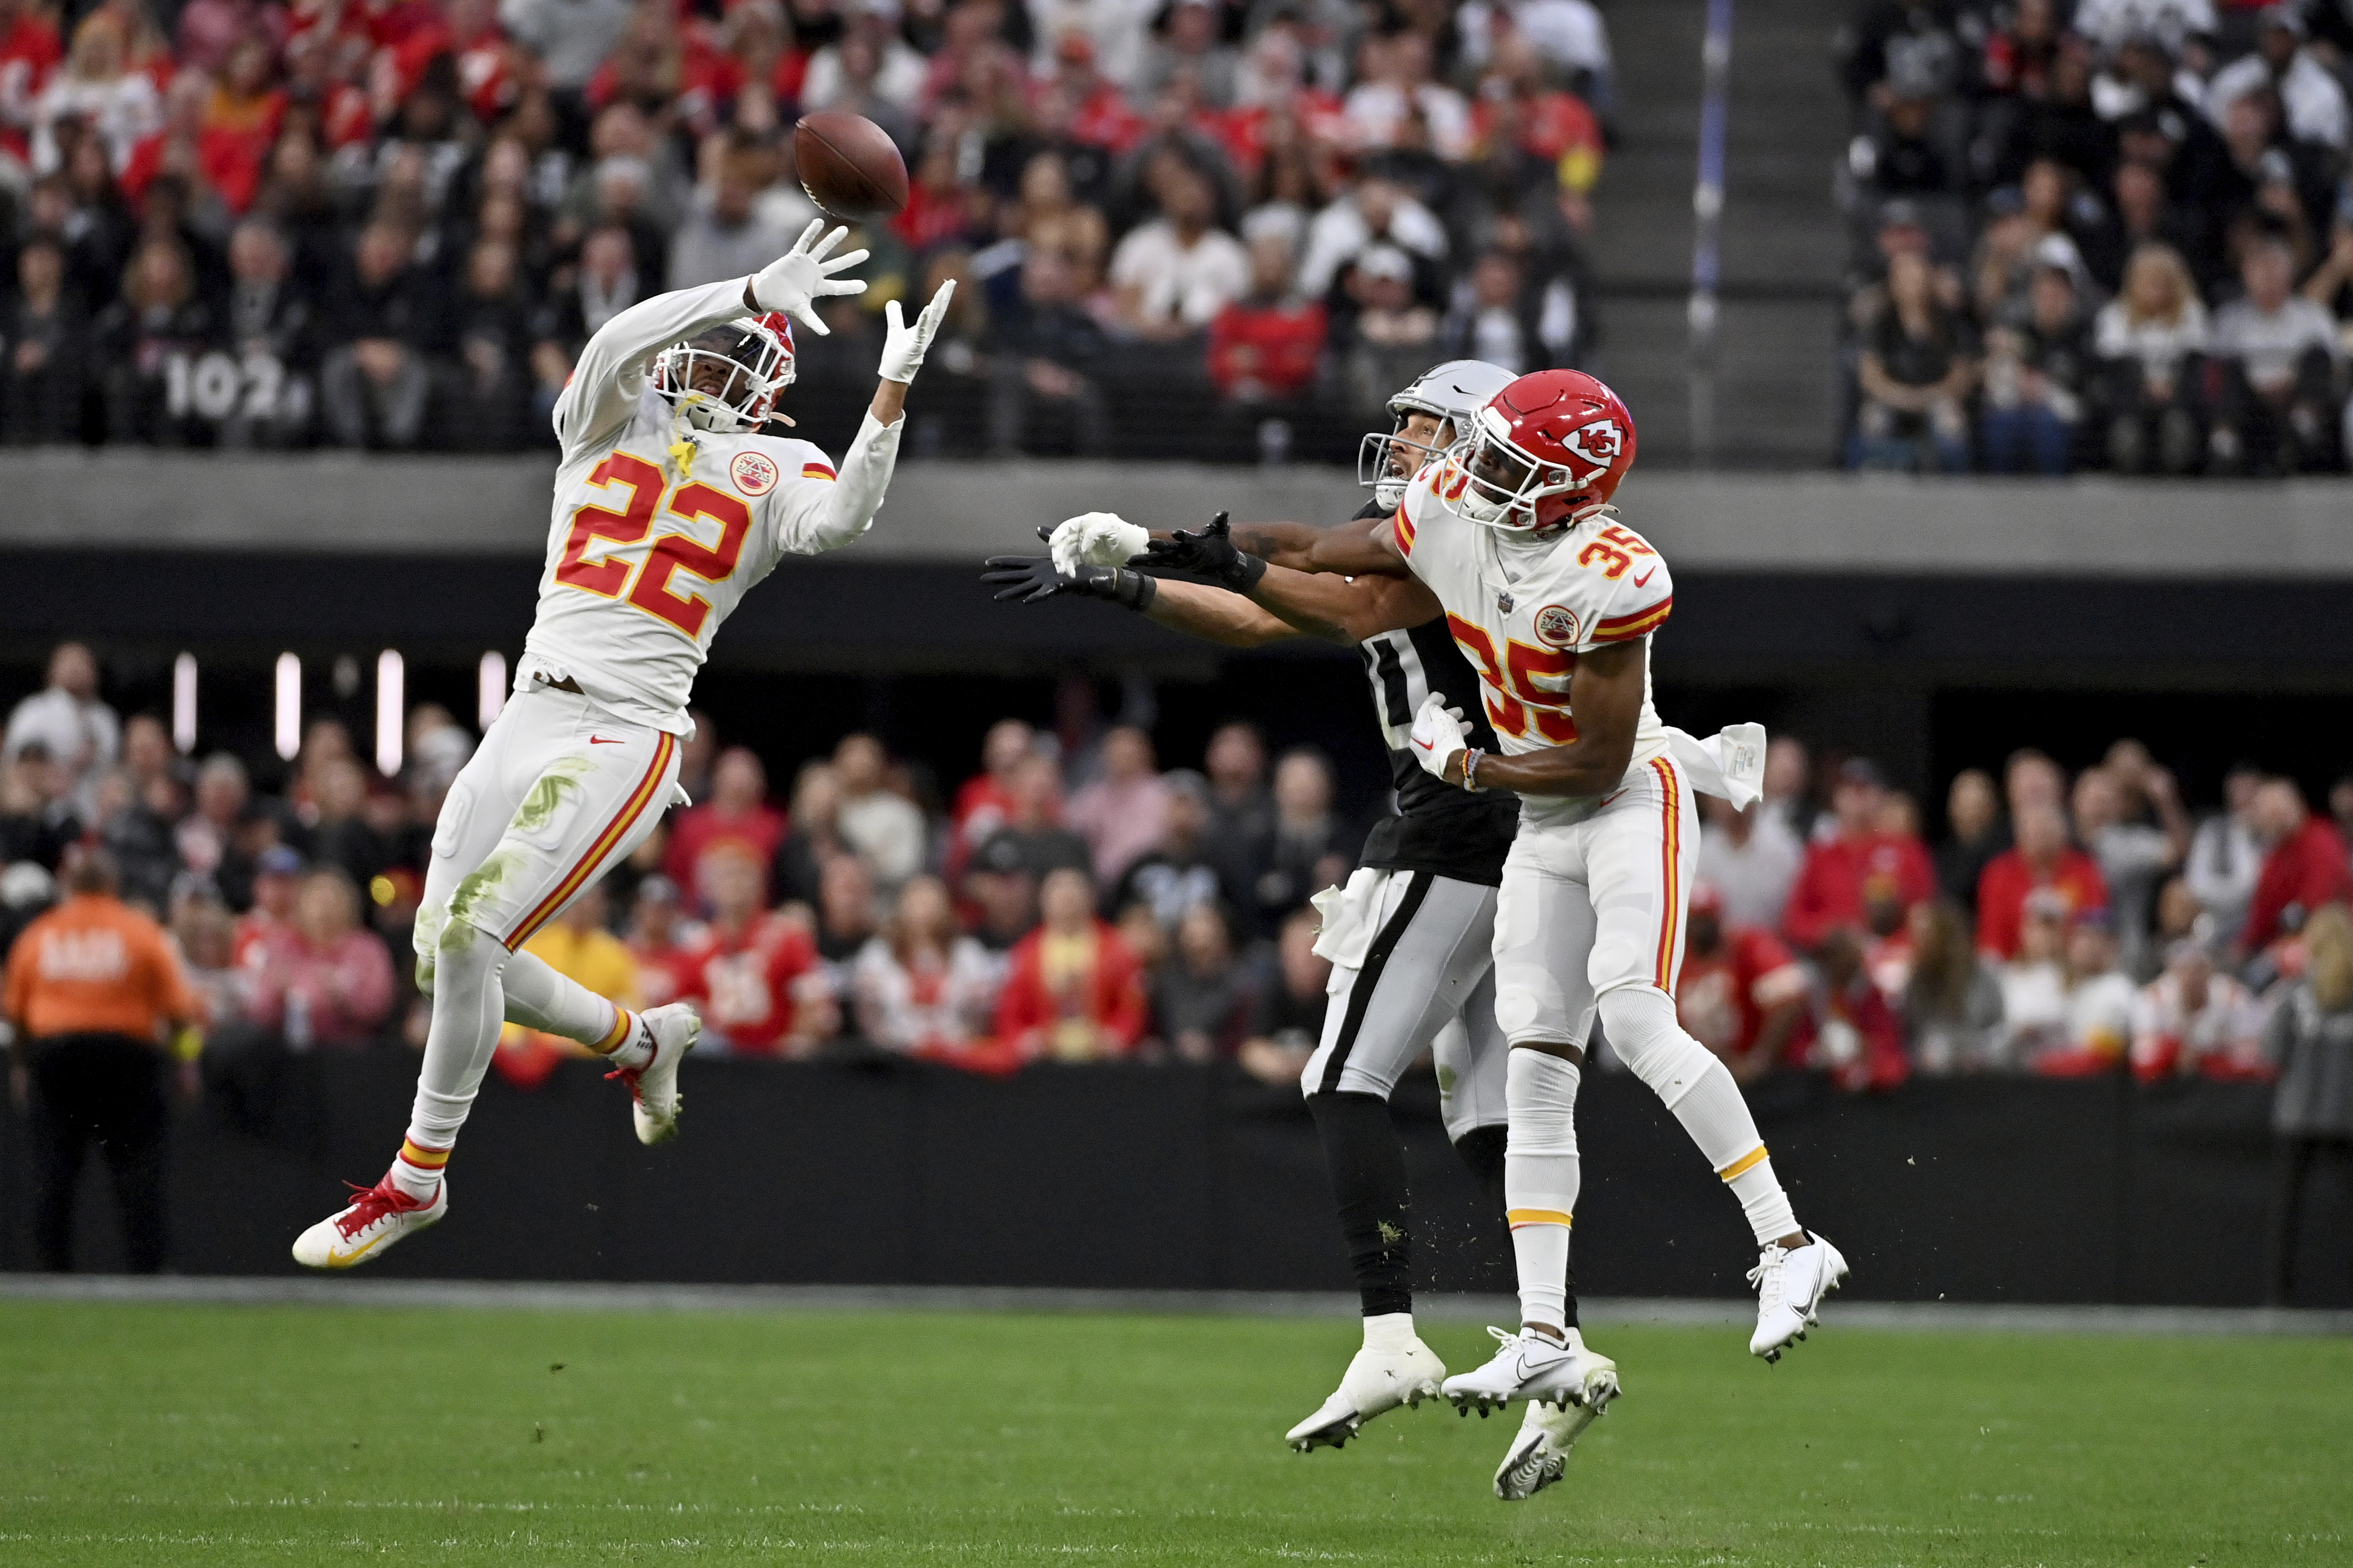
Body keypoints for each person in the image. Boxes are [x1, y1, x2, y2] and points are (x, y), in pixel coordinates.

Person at [1083, 370, 1831, 1460]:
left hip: (1609, 794)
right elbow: (1329, 563)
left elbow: (1594, 756)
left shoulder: (1610, 572)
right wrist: (1183, 545)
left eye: (1496, 458)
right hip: (1526, 812)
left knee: (1625, 1016)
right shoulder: (1447, 504)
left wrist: (1465, 763)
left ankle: (1787, 1239)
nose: (1462, 469)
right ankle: (1543, 1338)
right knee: (1525, 1077)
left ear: (1568, 489)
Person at [995, 360, 1617, 1495]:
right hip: (1503, 836)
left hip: (1456, 831)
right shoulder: (1437, 531)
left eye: (1425, 428)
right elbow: (1256, 610)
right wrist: (1124, 584)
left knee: (1341, 1076)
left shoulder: (1464, 539)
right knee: (1488, 1119)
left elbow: (1319, 597)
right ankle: (1558, 1344)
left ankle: (1390, 1333)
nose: (1402, 445)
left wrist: (1150, 549)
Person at [293, 222, 957, 1268]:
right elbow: (609, 347)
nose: (715, 365)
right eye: (714, 343)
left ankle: (414, 1180)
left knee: (471, 938)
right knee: (441, 951)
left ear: (773, 393)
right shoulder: (604, 423)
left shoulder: (774, 461)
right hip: (526, 708)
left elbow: (839, 522)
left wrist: (888, 396)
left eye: (743, 356)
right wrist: (744, 288)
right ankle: (641, 1038)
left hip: (627, 725)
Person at [3, 849, 200, 1272]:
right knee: (137, 1169)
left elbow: (16, 1014)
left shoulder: (40, 935)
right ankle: (147, 1270)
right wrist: (187, 1065)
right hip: (125, 1058)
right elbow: (181, 1014)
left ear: (69, 888)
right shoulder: (140, 932)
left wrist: (22, 1066)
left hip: (56, 1058)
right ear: (114, 887)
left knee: (54, 1172)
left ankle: (50, 1271)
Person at [2261, 903, 2353, 1305]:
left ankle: (2278, 1298)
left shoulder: (2296, 993)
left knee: (2285, 1212)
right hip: (2345, 1115)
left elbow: (2270, 1051)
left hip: (2296, 1114)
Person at [679, 844, 831, 1055]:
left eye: (741, 874)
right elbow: (685, 1010)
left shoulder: (786, 936)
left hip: (774, 1063)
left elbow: (816, 1004)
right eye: (724, 875)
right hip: (720, 1066)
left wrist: (799, 1040)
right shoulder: (698, 946)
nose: (732, 883)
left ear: (760, 883)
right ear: (707, 886)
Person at [1781, 759, 1938, 953]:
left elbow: (1926, 915)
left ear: (1881, 797)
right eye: (1850, 790)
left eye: (1865, 790)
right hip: (1831, 960)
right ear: (1836, 798)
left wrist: (1892, 946)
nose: (1858, 799)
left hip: (1893, 958)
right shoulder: (1819, 855)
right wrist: (1831, 934)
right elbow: (1795, 920)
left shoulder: (1907, 851)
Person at [993, 867, 1147, 1062]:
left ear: (1090, 898)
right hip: (1046, 1059)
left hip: (1102, 1058)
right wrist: (1023, 1040)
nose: (1067, 898)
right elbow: (1010, 1009)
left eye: (1074, 890)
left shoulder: (1118, 949)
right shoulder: (1024, 953)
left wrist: (1119, 1037)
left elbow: (1132, 1004)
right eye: (1058, 891)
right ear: (1043, 901)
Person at [850, 875, 1002, 1066]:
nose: (924, 909)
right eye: (916, 901)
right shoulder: (879, 954)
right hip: (896, 1058)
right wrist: (885, 1048)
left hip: (955, 1058)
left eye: (931, 901)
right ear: (901, 906)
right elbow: (867, 1012)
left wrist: (961, 1046)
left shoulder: (968, 953)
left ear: (946, 907)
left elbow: (981, 1015)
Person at [1674, 881, 1811, 1083]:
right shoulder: (1674, 959)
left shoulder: (1747, 945)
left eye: (1706, 919)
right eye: (1694, 920)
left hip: (1765, 1077)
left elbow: (1790, 997)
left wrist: (1759, 1060)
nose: (1700, 928)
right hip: (1701, 1077)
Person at [1976, 801, 2108, 960]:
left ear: (2063, 833)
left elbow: (2096, 927)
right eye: (2034, 833)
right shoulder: (1999, 874)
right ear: (2019, 836)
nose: (2040, 839)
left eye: (2046, 832)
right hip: (2015, 968)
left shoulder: (2085, 870)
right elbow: (1992, 936)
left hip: (2075, 969)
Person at [662, 745, 788, 909]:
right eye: (732, 777)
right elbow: (675, 879)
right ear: (716, 779)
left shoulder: (775, 828)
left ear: (760, 783)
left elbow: (781, 883)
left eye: (745, 778)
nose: (738, 785)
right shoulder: (689, 826)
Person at [2242, 778, 2353, 959]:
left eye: (2278, 811)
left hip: (2328, 937)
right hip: (2285, 943)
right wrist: (2245, 944)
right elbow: (2264, 908)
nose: (2275, 819)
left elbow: (2323, 898)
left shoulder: (2321, 838)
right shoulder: (2274, 857)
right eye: (2268, 815)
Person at [3, 642, 119, 814]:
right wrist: (59, 773)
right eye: (69, 663)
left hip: (93, 813)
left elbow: (112, 767)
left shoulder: (105, 718)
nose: (76, 670)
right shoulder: (34, 710)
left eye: (83, 663)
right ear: (52, 671)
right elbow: (17, 764)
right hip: (41, 812)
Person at [2131, 938, 2265, 1083]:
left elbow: (2252, 1061)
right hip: (2169, 1087)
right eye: (2184, 970)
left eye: (2199, 969)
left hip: (2222, 1087)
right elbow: (2144, 1062)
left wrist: (2203, 1059)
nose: (2192, 977)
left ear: (2211, 970)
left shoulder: (2233, 996)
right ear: (2172, 972)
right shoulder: (2154, 999)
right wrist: (2175, 1051)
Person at [1903, 899, 2006, 1074]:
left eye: (1927, 935)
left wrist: (1977, 1052)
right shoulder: (1917, 981)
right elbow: (1911, 1032)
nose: (1920, 942)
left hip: (1980, 1075)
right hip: (1930, 1078)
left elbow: (1996, 1027)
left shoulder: (1983, 976)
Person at [1062, 725, 1169, 886]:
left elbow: (1149, 843)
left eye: (1128, 751)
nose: (1120, 756)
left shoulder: (1159, 793)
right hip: (1098, 881)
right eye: (1115, 750)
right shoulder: (1095, 793)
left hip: (1142, 878)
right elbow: (1070, 824)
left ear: (1144, 754)